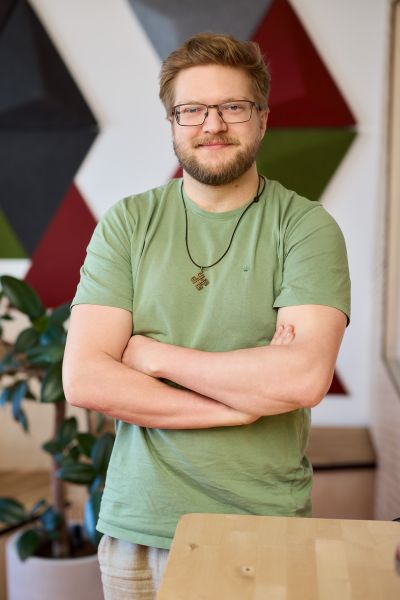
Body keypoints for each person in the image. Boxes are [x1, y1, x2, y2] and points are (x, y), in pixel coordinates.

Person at [63, 32, 350, 599]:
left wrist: (151, 355)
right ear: (172, 123)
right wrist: (237, 407)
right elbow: (86, 379)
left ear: (262, 119)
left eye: (233, 107)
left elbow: (302, 378)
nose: (212, 125)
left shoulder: (305, 227)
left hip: (262, 526)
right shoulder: (128, 223)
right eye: (192, 109)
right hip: (138, 526)